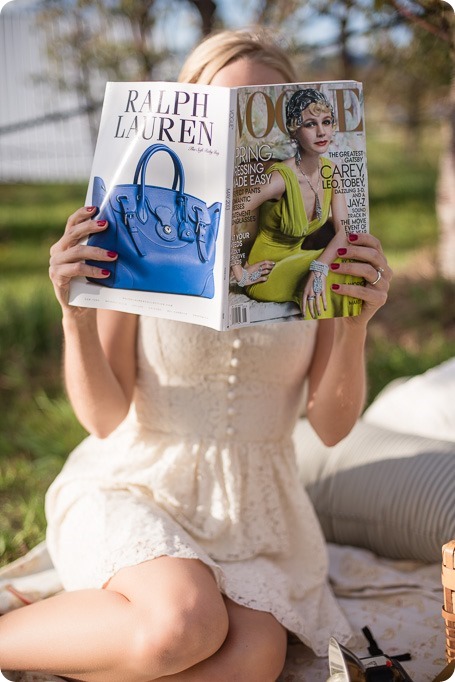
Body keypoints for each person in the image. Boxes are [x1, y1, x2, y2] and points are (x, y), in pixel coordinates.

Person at [0, 28, 391, 682]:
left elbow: (328, 425)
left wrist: (354, 325)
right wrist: (75, 315)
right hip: (135, 482)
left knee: (255, 658)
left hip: (257, 511)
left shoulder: (323, 236)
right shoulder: (143, 234)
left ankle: (95, 653)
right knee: (185, 623)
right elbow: (102, 419)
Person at [242, 87, 362, 320]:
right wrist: (239, 270)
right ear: (294, 131)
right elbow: (230, 210)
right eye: (309, 124)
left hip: (297, 258)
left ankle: (348, 335)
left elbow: (344, 231)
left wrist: (320, 267)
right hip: (267, 273)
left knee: (349, 262)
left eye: (326, 122)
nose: (320, 132)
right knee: (338, 274)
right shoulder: (280, 178)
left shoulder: (331, 171)